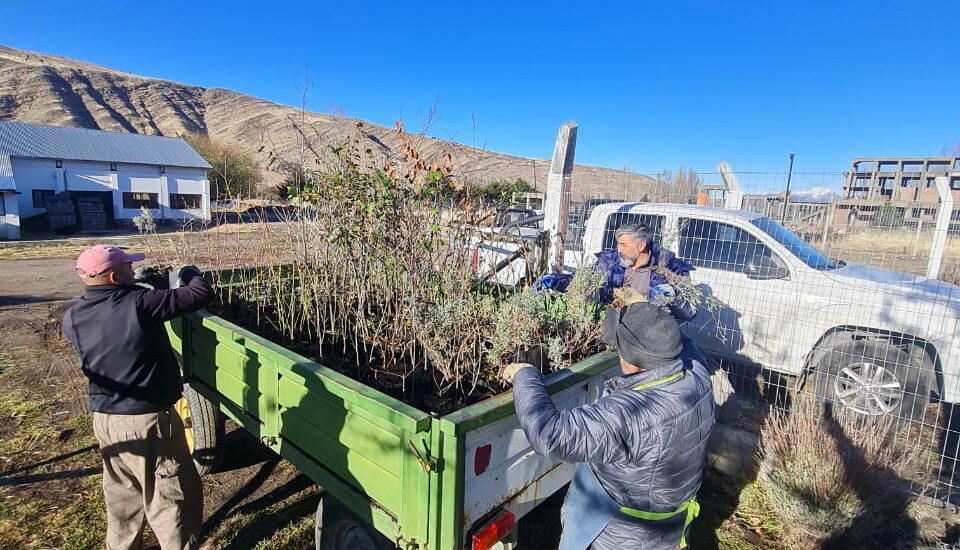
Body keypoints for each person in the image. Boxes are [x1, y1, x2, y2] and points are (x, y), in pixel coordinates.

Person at [503, 303, 715, 550]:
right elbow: (685, 345)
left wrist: (525, 375)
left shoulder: (630, 414)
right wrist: (652, 315)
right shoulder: (697, 375)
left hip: (620, 536)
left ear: (633, 362)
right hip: (669, 529)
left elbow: (550, 434)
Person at [62, 245, 214, 550]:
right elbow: (199, 295)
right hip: (147, 423)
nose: (134, 272)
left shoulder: (72, 316)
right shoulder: (140, 304)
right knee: (172, 496)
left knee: (122, 497)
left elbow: (118, 320)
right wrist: (189, 274)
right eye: (129, 269)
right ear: (115, 277)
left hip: (105, 421)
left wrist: (147, 283)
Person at [596, 223, 697, 321]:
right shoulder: (609, 263)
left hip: (651, 333)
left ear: (641, 246)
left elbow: (689, 313)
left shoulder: (671, 270)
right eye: (618, 244)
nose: (619, 250)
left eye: (623, 245)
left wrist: (673, 299)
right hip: (614, 330)